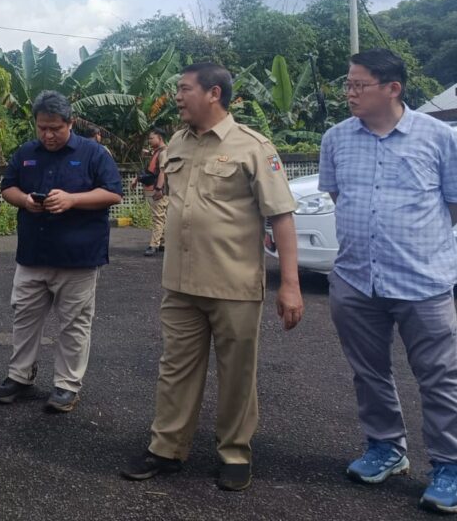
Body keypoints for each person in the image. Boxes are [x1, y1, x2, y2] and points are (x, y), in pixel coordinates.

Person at [120, 63, 304, 492]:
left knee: (237, 373)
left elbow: (281, 216)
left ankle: (235, 453)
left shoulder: (253, 147)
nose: (177, 96)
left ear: (213, 93)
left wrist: (291, 284)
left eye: (185, 89)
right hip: (180, 284)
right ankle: (166, 448)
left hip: (233, 284)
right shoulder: (177, 143)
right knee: (174, 370)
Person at [318, 49, 457, 514]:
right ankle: (386, 447)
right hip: (357, 279)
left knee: (439, 378)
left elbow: (453, 204)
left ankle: (449, 465)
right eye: (348, 84)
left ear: (392, 88)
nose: (349, 93)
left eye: (358, 85)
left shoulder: (439, 138)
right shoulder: (336, 138)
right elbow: (338, 195)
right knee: (369, 372)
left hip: (423, 282)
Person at [0, 90, 123, 413]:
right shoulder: (26, 152)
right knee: (24, 316)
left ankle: (67, 385)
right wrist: (24, 200)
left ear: (70, 123)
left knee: (74, 323)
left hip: (78, 257)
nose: (48, 135)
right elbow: (8, 187)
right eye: (42, 128)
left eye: (55, 128)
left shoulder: (93, 153)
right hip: (33, 254)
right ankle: (20, 376)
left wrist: (72, 200)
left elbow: (113, 193)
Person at [129, 127, 169, 256]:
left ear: (160, 138)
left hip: (157, 190)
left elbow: (163, 172)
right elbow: (151, 170)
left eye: (151, 138)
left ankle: (154, 245)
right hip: (153, 188)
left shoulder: (163, 153)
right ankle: (163, 243)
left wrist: (159, 189)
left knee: (158, 218)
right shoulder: (157, 152)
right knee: (161, 217)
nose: (149, 141)